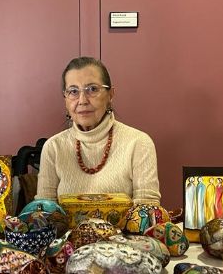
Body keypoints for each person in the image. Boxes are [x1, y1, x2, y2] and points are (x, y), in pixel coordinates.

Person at [35, 57, 160, 204]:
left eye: (92, 89)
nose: (82, 100)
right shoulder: (53, 147)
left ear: (110, 95)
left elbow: (147, 207)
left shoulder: (138, 143)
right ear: (65, 100)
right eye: (73, 91)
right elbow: (43, 210)